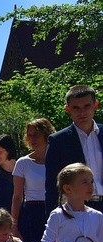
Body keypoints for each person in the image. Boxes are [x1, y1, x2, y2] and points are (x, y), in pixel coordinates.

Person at [45, 84, 103, 215]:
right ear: (68, 109)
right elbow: (51, 185)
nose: (82, 112)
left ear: (95, 105)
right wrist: (52, 219)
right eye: (76, 108)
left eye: (87, 106)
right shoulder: (58, 141)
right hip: (77, 209)